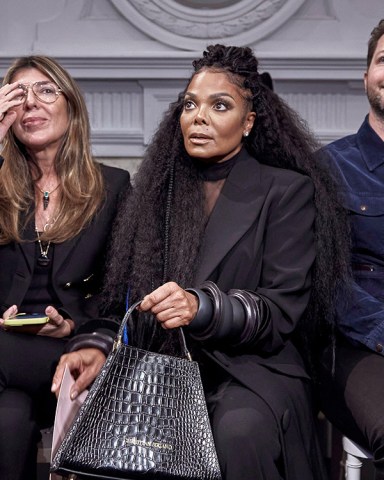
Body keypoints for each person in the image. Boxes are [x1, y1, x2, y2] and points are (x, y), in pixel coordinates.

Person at [52, 44, 349, 480]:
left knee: (238, 433)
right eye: (190, 104)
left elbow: (280, 312)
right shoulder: (155, 192)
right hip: (160, 373)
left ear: (248, 122)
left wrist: (200, 306)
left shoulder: (286, 191)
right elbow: (118, 298)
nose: (199, 116)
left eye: (220, 105)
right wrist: (95, 345)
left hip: (250, 372)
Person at [0, 55, 130, 480]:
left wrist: (74, 326)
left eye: (45, 91)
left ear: (71, 106)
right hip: (10, 361)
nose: (31, 104)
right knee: (10, 420)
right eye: (19, 96)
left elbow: (122, 289)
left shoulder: (112, 187)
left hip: (71, 355)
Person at [317, 18, 384, 477]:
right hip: (356, 343)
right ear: (366, 77)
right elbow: (328, 280)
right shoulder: (328, 167)